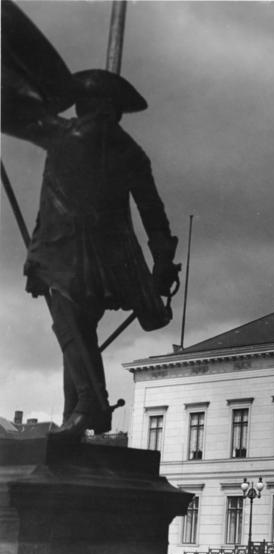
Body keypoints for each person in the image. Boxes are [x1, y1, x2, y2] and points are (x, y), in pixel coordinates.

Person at [4, 69, 179, 440]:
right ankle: (79, 413)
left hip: (65, 254)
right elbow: (153, 211)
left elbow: (13, 115)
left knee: (70, 327)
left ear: (91, 103)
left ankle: (89, 406)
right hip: (113, 263)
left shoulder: (64, 133)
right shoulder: (131, 150)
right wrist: (162, 261)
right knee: (78, 329)